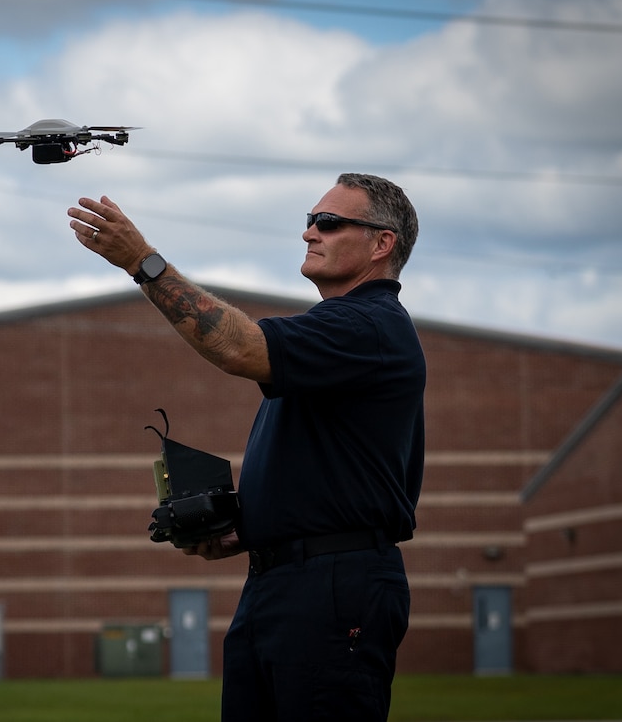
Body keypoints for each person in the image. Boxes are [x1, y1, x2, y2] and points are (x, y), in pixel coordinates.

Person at [67, 173, 425, 722]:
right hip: (280, 581)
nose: (310, 232)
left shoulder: (369, 326)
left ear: (383, 244)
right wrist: (247, 530)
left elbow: (238, 347)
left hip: (333, 586)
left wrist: (144, 262)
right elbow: (329, 475)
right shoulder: (333, 336)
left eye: (329, 222)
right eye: (308, 220)